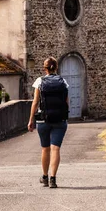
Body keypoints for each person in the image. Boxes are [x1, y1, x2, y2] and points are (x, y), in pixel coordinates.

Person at [27, 57, 69, 189]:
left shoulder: (39, 81)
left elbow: (35, 102)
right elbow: (67, 102)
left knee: (45, 148)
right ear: (56, 67)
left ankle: (44, 177)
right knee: (55, 148)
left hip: (43, 119)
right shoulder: (63, 81)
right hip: (60, 120)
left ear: (45, 69)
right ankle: (53, 179)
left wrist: (30, 119)